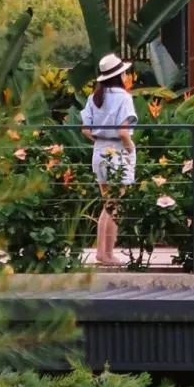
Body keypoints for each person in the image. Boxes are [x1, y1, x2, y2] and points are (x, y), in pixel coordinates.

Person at [81, 52, 137, 267]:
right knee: (115, 206)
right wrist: (131, 148)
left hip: (99, 150)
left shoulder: (94, 97)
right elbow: (124, 132)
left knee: (108, 204)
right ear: (119, 75)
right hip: (118, 152)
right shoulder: (124, 98)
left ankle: (101, 253)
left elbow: (85, 129)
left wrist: (100, 138)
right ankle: (109, 255)